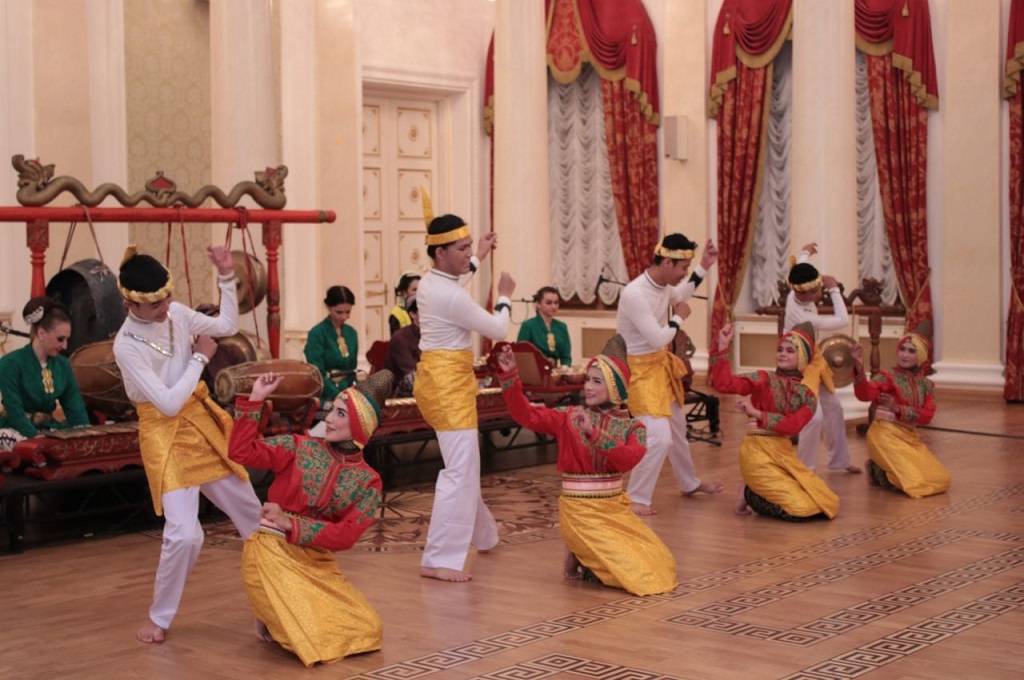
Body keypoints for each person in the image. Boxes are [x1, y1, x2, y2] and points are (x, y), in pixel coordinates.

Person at [112, 245, 262, 644]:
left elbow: (226, 323)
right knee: (184, 534)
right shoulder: (126, 345)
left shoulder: (176, 313)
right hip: (163, 433)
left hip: (200, 423)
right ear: (130, 304)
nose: (166, 306)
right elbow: (166, 402)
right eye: (156, 303)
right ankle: (160, 617)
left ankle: (271, 608)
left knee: (254, 517)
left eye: (168, 297)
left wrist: (227, 276)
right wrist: (199, 359)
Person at [228, 369, 393, 666]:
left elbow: (347, 535)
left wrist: (292, 522)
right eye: (331, 410)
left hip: (316, 559)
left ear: (360, 426)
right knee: (310, 633)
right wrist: (256, 399)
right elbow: (241, 452)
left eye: (340, 414)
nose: (328, 419)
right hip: (272, 550)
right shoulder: (298, 446)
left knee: (369, 629)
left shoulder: (368, 482)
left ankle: (274, 610)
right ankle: (272, 610)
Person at [494, 335, 676, 595]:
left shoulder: (632, 427)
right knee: (633, 575)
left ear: (615, 388)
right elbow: (526, 414)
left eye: (597, 381)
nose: (587, 387)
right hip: (580, 511)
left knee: (658, 563)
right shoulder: (570, 417)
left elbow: (628, 458)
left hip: (613, 509)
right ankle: (580, 549)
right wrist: (510, 375)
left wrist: (594, 433)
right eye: (588, 379)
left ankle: (580, 553)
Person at [414, 213, 514, 582]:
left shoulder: (430, 282)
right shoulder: (450, 296)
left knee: (466, 465)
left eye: (470, 245)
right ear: (441, 253)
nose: (468, 252)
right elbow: (498, 328)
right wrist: (504, 295)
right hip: (447, 388)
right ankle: (438, 558)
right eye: (462, 247)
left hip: (440, 380)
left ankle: (484, 535)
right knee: (460, 471)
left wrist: (480, 256)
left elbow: (460, 275)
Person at [616, 232, 723, 515]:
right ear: (666, 262)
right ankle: (637, 497)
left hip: (659, 366)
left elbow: (681, 294)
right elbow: (657, 338)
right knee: (658, 438)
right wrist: (679, 317)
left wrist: (703, 267)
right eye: (682, 268)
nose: (683, 274)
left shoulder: (663, 285)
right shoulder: (636, 294)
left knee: (676, 429)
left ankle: (689, 483)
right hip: (638, 371)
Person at [711, 322, 839, 521]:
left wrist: (758, 413)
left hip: (783, 454)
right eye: (780, 349)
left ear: (803, 357)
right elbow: (724, 384)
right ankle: (749, 494)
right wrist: (722, 346)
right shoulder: (763, 378)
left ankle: (751, 488)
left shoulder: (807, 396)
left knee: (826, 502)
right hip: (757, 452)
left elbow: (793, 425)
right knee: (800, 509)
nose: (782, 354)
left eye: (789, 351)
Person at [784, 243, 861, 474]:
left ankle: (839, 461)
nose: (821, 292)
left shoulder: (796, 291)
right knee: (813, 417)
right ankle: (804, 468)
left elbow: (802, 265)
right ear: (802, 293)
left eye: (821, 288)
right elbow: (842, 321)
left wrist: (806, 251)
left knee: (834, 409)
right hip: (795, 364)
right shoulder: (802, 314)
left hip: (812, 358)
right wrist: (835, 289)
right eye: (817, 290)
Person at [851, 325, 949, 498]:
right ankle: (876, 470)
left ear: (921, 357)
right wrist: (859, 369)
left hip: (909, 437)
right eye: (902, 349)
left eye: (911, 351)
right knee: (914, 483)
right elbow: (865, 395)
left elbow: (927, 416)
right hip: (884, 435)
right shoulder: (887, 376)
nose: (904, 354)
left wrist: (898, 408)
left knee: (940, 479)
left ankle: (880, 468)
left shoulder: (927, 386)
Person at [0, 296, 90, 451]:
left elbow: (75, 408)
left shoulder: (63, 366)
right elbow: (15, 413)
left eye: (67, 339)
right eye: (60, 339)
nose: (65, 345)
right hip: (16, 429)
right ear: (41, 333)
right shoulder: (9, 363)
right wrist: (36, 439)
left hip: (48, 428)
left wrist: (86, 434)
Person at [305, 285, 359, 401]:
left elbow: (352, 369)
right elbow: (318, 375)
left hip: (349, 393)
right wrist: (339, 396)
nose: (344, 317)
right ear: (328, 307)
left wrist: (352, 394)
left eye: (348, 312)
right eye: (339, 312)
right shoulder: (317, 334)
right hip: (325, 394)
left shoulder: (352, 333)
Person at [516, 286, 572, 367]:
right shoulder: (528, 326)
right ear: (538, 304)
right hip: (533, 373)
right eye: (549, 303)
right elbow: (521, 355)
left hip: (556, 374)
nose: (554, 306)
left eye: (556, 303)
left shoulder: (562, 327)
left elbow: (566, 357)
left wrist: (565, 369)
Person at [383, 299, 420, 397]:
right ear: (413, 314)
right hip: (399, 399)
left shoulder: (436, 336)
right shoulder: (400, 338)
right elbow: (412, 377)